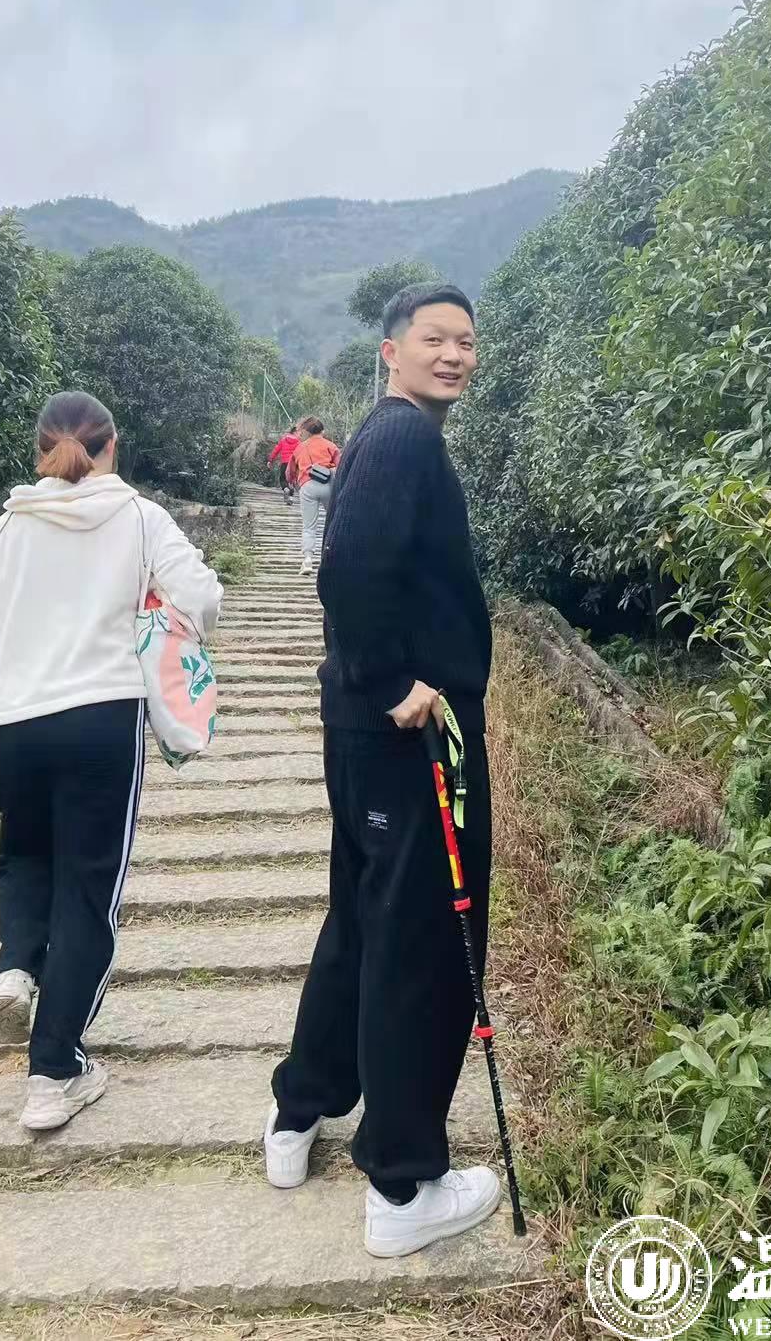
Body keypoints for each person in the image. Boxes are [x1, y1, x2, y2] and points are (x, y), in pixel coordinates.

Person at [266, 283, 497, 1258]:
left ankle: (301, 1109)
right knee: (425, 940)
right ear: (391, 351)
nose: (454, 354)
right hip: (412, 731)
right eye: (434, 338)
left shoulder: (384, 435)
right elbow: (348, 568)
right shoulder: (404, 439)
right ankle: (403, 1184)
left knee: (363, 917)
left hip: (368, 733)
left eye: (466, 341)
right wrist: (393, 678)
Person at [0, 391, 222, 1132]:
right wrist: (154, 610)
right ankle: (55, 1071)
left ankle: (14, 969)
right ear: (112, 445)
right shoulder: (140, 518)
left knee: (26, 856)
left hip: (14, 724)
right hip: (101, 720)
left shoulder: (9, 526)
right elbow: (202, 598)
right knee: (89, 890)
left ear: (40, 450)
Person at [288, 416, 340, 577]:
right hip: (329, 484)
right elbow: (342, 466)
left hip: (307, 485)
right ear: (322, 431)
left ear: (306, 431)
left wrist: (293, 483)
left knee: (309, 526)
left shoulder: (300, 448)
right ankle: (332, 558)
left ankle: (308, 560)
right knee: (333, 522)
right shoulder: (331, 446)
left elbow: (289, 472)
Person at [267, 425, 301, 505]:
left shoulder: (283, 440)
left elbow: (276, 450)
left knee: (283, 479)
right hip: (293, 464)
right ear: (294, 432)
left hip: (284, 463)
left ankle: (285, 489)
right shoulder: (298, 443)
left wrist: (270, 460)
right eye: (298, 432)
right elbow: (301, 454)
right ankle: (291, 498)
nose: (300, 434)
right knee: (292, 480)